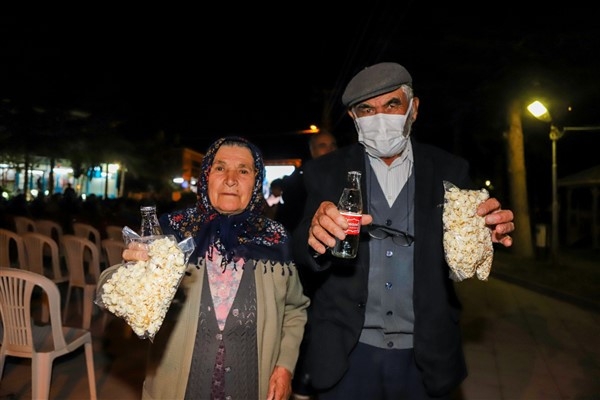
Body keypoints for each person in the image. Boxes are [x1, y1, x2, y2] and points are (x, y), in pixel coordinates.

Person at [291, 62, 515, 399]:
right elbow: (298, 251)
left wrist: (485, 238)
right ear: (354, 118)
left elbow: (468, 245)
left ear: (413, 108)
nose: (379, 118)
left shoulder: (450, 170)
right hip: (347, 353)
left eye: (391, 105)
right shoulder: (323, 172)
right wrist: (313, 237)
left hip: (424, 354)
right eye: (366, 109)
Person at [119, 136, 310, 400]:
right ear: (206, 175)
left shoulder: (275, 239)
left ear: (256, 181)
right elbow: (124, 290)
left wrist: (285, 366)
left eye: (243, 170)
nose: (231, 179)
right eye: (220, 168)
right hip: (178, 386)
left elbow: (294, 309)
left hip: (250, 386)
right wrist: (130, 273)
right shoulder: (173, 231)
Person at [277, 131, 338, 233]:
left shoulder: (346, 176)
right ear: (312, 150)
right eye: (322, 146)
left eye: (333, 145)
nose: (330, 149)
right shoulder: (299, 180)